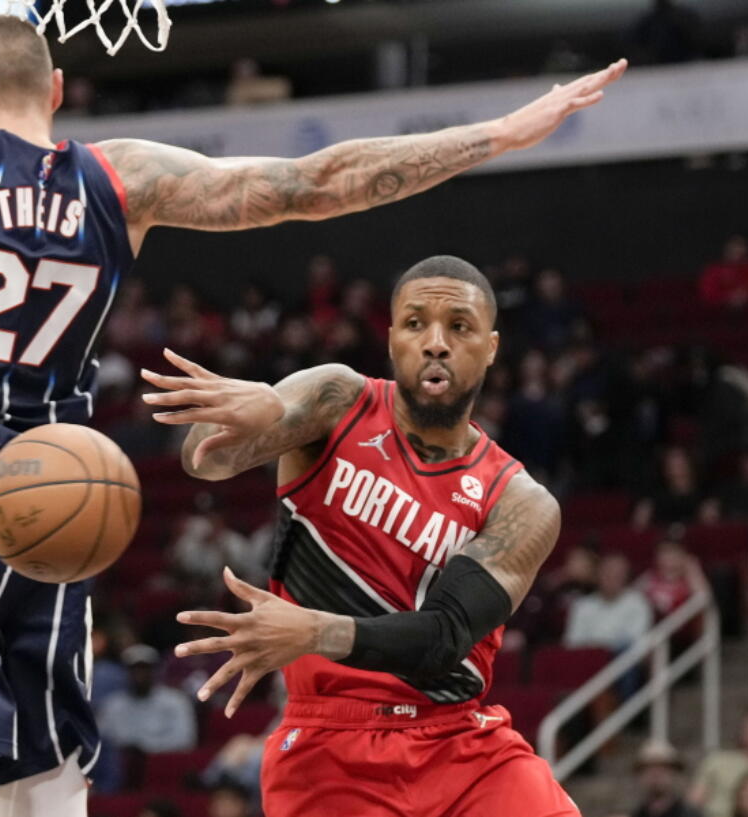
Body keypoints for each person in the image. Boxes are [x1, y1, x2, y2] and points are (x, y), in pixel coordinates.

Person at [0, 3, 626, 815]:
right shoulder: (121, 181)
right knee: (49, 795)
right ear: (59, 89)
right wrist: (500, 130)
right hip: (58, 531)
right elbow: (311, 184)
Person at [142, 256, 577, 815]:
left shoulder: (520, 500)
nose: (436, 343)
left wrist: (314, 631)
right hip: (329, 746)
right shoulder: (338, 399)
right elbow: (207, 461)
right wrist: (247, 417)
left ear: (491, 347)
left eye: (459, 326)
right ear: (392, 336)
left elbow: (443, 639)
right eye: (416, 323)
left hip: (461, 743)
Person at [564, 552, 654, 651]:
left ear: (626, 576)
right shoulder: (582, 605)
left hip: (621, 662)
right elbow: (572, 643)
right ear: (598, 575)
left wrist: (601, 647)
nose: (611, 577)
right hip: (586, 660)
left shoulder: (639, 603)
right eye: (607, 572)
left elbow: (637, 644)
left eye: (617, 574)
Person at [607, 739, 703, 817]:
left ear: (674, 773)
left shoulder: (690, 814)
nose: (656, 774)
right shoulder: (637, 814)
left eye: (662, 768)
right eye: (649, 769)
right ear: (640, 775)